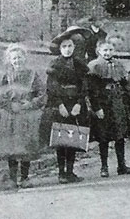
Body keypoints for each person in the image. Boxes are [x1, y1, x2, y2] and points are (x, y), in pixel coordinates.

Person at [0, 44, 45, 191]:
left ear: (25, 58)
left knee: (26, 146)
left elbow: (42, 94)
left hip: (27, 115)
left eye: (20, 57)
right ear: (9, 60)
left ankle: (25, 177)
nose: (17, 61)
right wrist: (10, 105)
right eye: (14, 58)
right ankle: (12, 178)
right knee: (12, 148)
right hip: (10, 116)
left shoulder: (33, 75)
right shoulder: (6, 76)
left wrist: (30, 103)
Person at [39, 37, 88, 184]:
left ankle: (70, 171)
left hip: (75, 105)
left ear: (74, 47)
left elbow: (84, 86)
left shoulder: (79, 64)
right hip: (59, 104)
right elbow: (52, 87)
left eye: (70, 46)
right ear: (60, 49)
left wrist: (79, 104)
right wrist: (60, 105)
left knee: (72, 138)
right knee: (61, 139)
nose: (68, 49)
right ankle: (61, 173)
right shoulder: (55, 64)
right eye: (64, 46)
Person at [86, 36, 130, 178]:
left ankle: (121, 165)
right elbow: (91, 90)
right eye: (105, 50)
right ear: (98, 51)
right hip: (103, 104)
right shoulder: (94, 66)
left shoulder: (118, 65)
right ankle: (104, 166)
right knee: (104, 136)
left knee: (119, 135)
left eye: (110, 49)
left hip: (117, 103)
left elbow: (125, 85)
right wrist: (97, 108)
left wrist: (129, 102)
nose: (108, 52)